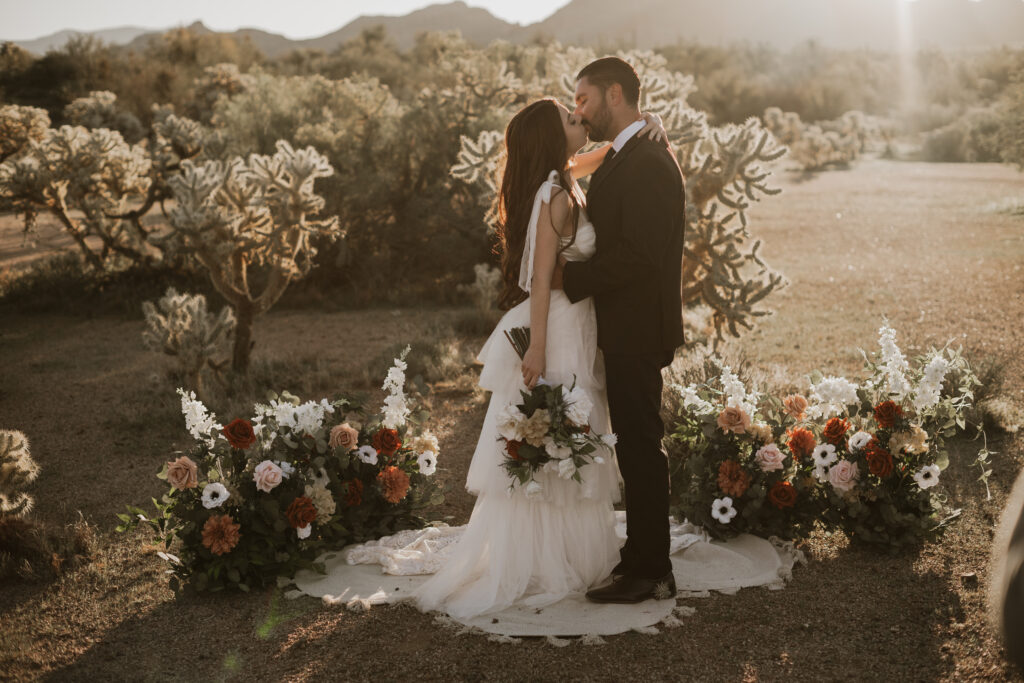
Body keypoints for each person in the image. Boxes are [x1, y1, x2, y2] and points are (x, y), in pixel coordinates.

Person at [401, 96, 668, 619]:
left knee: (574, 437)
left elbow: (605, 153)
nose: (581, 120)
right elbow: (542, 282)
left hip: (578, 324)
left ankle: (570, 552)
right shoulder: (557, 196)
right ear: (553, 139)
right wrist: (539, 349)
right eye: (572, 120)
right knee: (561, 434)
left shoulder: (564, 177)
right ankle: (546, 561)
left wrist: (645, 124)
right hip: (560, 327)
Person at [553, 56, 686, 603]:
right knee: (632, 441)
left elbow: (641, 256)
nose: (579, 110)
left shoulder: (650, 160)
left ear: (613, 95)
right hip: (619, 322)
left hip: (638, 324)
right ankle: (640, 557)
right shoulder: (622, 151)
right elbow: (564, 164)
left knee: (640, 444)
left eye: (582, 99)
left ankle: (652, 569)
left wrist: (569, 277)